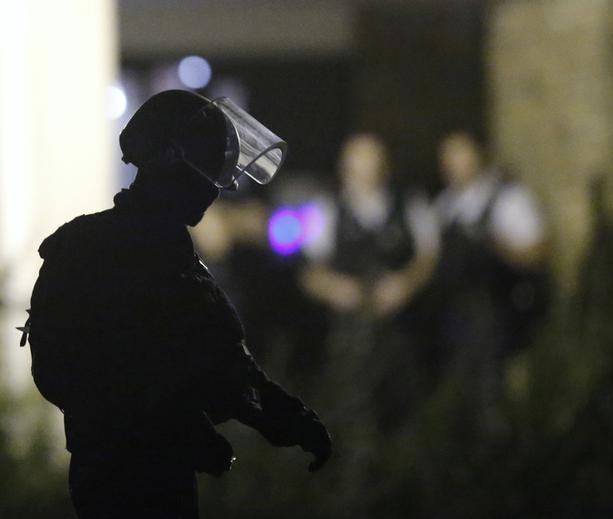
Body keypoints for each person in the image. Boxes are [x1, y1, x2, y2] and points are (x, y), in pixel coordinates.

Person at [23, 90, 331, 519]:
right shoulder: (88, 250)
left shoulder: (171, 257)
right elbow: (62, 369)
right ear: (168, 162)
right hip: (115, 482)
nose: (217, 188)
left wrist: (290, 419)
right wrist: (170, 427)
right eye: (207, 168)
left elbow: (228, 368)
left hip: (158, 480)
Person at [300, 133, 439, 431]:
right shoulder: (325, 210)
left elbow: (429, 258)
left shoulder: (410, 204)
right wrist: (336, 288)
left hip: (405, 332)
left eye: (373, 167)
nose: (366, 176)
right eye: (358, 169)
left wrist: (405, 284)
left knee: (409, 415)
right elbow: (309, 274)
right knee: (352, 416)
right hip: (351, 338)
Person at [432, 131, 549, 429]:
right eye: (450, 158)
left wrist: (497, 246)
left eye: (463, 156)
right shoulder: (445, 205)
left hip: (498, 313)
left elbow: (537, 252)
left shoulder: (509, 199)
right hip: (457, 315)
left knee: (497, 396)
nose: (457, 165)